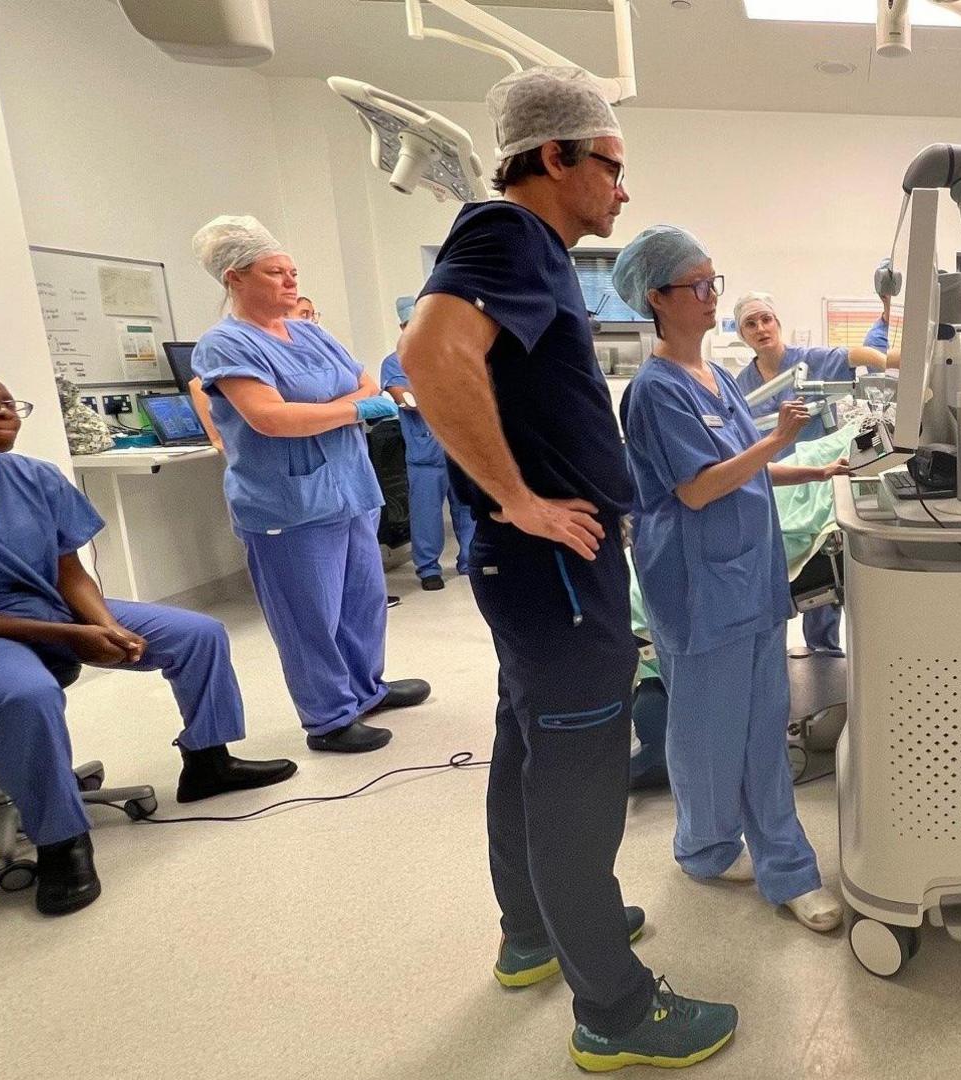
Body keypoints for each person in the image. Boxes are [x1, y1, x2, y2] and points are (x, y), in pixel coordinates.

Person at [398, 68, 736, 1072]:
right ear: (556, 157)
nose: (623, 192)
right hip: (550, 562)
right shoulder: (506, 235)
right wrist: (518, 499)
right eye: (613, 167)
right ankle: (616, 1012)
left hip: (537, 568)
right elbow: (428, 357)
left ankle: (536, 934)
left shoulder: (528, 251)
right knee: (581, 778)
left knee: (533, 746)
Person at [0, 351, 296, 915]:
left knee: (197, 633)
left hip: (44, 606)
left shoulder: (32, 476)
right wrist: (69, 635)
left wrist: (101, 623)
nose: (6, 411)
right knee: (25, 694)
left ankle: (209, 761)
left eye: (10, 402)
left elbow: (67, 569)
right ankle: (60, 842)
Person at [616, 226, 848, 936]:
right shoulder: (655, 391)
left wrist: (816, 467)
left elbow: (748, 463)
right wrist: (777, 440)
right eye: (700, 286)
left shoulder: (713, 377)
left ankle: (784, 867)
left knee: (760, 732)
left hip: (748, 581)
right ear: (657, 298)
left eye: (716, 281)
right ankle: (707, 848)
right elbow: (695, 490)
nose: (714, 296)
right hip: (697, 586)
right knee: (707, 740)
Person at [188, 215, 429, 754]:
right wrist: (352, 409)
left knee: (361, 601)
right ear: (234, 278)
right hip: (287, 503)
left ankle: (365, 689)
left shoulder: (311, 333)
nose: (291, 282)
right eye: (276, 273)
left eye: (293, 271)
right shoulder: (224, 346)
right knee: (308, 616)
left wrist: (331, 408)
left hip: (350, 489)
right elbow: (271, 419)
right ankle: (328, 717)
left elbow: (370, 384)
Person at [730, 292, 896, 655]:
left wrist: (885, 362)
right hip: (777, 483)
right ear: (742, 335)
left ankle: (824, 649)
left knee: (824, 560)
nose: (761, 328)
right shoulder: (740, 386)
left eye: (766, 319)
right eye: (750, 324)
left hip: (822, 478)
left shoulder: (809, 362)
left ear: (777, 322)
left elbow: (860, 356)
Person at [380, 296, 476, 591]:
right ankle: (428, 568)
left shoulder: (452, 354)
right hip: (425, 452)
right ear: (402, 326)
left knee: (468, 508)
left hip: (460, 448)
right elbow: (405, 399)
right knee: (426, 514)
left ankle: (470, 561)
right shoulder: (395, 362)